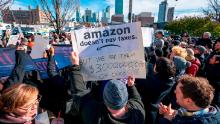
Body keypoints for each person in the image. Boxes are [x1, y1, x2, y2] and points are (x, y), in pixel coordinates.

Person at [65, 52, 145, 124]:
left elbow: (80, 93)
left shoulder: (94, 117)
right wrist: (131, 86)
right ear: (126, 97)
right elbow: (137, 99)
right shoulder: (139, 114)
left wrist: (75, 66)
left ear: (104, 99)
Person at [136, 57, 176, 124]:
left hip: (145, 108)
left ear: (157, 69)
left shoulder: (150, 81)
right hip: (155, 108)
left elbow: (140, 80)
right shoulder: (170, 80)